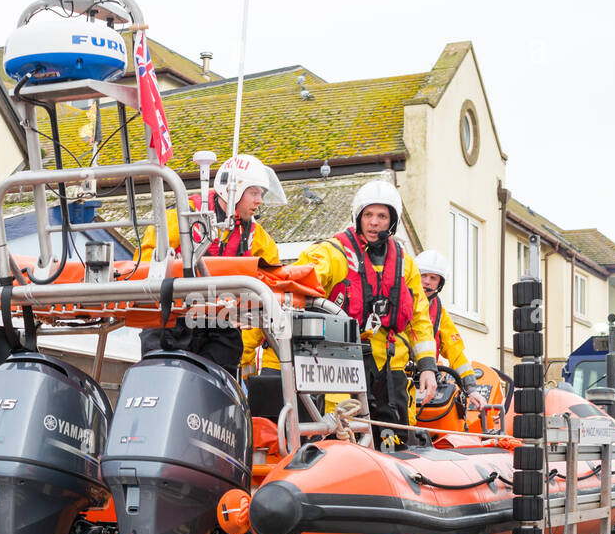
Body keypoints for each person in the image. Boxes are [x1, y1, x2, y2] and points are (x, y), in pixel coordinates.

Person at [294, 180, 437, 446]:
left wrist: (427, 366)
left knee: (394, 442)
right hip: (342, 366)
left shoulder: (405, 263)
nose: (374, 222)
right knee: (340, 441)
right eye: (368, 215)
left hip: (389, 369)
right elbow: (301, 278)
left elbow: (419, 317)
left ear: (392, 222)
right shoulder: (333, 253)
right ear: (357, 217)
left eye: (382, 216)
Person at [137, 153, 280, 375]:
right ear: (233, 189)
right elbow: (149, 262)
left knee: (225, 363)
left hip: (220, 324)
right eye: (254, 193)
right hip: (173, 319)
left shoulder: (258, 237)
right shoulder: (182, 218)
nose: (259, 200)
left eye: (261, 194)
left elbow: (273, 283)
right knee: (160, 373)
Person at [412, 249, 487, 411]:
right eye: (423, 276)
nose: (427, 282)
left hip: (426, 381)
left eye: (433, 278)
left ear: (440, 284)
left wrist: (471, 389)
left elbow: (455, 351)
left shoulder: (439, 313)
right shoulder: (401, 301)